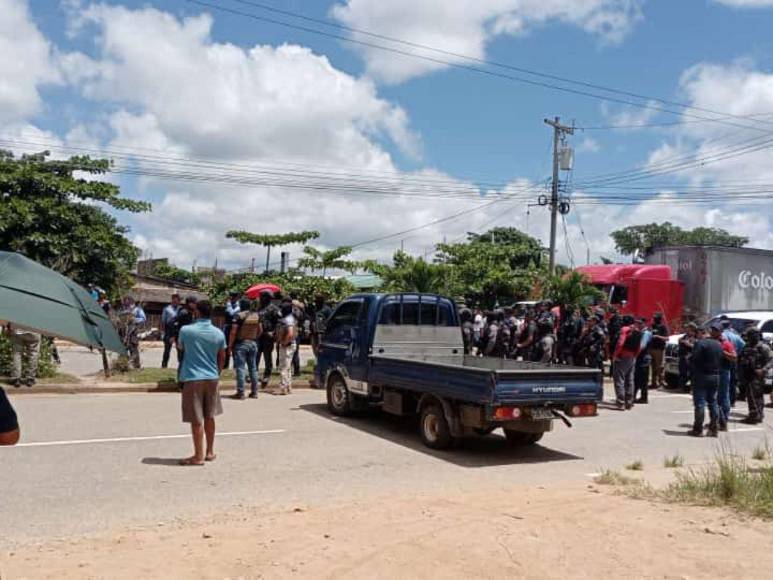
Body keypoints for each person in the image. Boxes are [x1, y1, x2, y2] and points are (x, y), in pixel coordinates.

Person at [177, 300, 226, 466]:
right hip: (212, 378)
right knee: (209, 416)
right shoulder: (218, 333)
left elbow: (181, 348)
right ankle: (209, 451)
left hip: (193, 377)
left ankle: (198, 456)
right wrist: (217, 372)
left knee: (196, 419)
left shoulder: (186, 330)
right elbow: (222, 356)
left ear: (197, 312)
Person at [688, 323, 724, 437]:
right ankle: (714, 428)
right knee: (712, 401)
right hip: (715, 376)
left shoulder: (700, 343)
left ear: (702, 333)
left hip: (702, 376)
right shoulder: (718, 344)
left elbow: (694, 359)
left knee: (700, 402)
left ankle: (698, 429)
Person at [738, 328, 773, 425]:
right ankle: (757, 415)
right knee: (751, 395)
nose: (748, 337)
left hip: (757, 375)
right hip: (747, 374)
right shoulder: (747, 346)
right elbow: (741, 358)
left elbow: (771, 360)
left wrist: (763, 370)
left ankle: (755, 416)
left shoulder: (763, 347)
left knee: (756, 395)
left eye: (750, 335)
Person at [229, 299, 262, 400]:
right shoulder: (256, 315)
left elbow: (233, 332)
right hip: (253, 343)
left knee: (240, 368)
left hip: (241, 344)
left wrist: (230, 345)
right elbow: (260, 330)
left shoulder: (238, 316)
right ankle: (255, 392)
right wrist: (254, 338)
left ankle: (241, 393)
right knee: (253, 368)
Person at [612, 316, 641, 409]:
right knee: (630, 380)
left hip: (622, 356)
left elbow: (620, 343)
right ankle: (629, 402)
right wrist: (635, 356)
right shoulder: (637, 330)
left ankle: (621, 402)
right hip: (632, 357)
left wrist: (615, 355)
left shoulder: (625, 329)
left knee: (619, 379)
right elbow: (639, 346)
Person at [715, 325, 737, 432]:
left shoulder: (726, 343)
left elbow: (733, 357)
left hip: (723, 372)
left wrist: (723, 352)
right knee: (716, 397)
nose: (712, 332)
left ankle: (724, 420)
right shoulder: (712, 342)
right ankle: (717, 420)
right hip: (713, 372)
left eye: (715, 330)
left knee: (724, 396)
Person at [257, 292, 281, 388]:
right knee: (256, 356)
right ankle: (255, 375)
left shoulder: (274, 308)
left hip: (268, 336)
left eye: (263, 297)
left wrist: (274, 332)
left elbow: (279, 322)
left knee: (267, 357)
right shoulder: (260, 307)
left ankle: (267, 376)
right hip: (259, 335)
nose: (261, 299)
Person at [720, 319, 745, 407]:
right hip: (733, 360)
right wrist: (737, 352)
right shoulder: (736, 336)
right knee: (733, 381)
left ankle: (723, 401)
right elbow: (743, 345)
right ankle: (732, 401)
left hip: (723, 360)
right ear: (730, 326)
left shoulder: (721, 335)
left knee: (723, 382)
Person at [172, 296, 198, 377]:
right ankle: (181, 380)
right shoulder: (184, 312)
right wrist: (174, 335)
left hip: (189, 340)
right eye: (194, 303)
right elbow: (173, 322)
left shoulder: (192, 313)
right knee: (183, 360)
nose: (196, 305)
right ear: (190, 303)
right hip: (182, 339)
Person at [275, 301, 297, 395]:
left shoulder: (288, 320)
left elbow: (290, 333)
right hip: (290, 344)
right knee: (288, 367)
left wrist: (284, 342)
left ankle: (283, 388)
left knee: (283, 367)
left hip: (287, 345)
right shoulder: (291, 318)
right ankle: (288, 387)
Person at [118, 296, 146, 369]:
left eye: (127, 301)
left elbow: (143, 319)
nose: (126, 303)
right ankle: (121, 365)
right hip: (123, 331)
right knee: (122, 349)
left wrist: (134, 319)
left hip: (133, 331)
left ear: (131, 301)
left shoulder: (137, 309)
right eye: (125, 301)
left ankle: (136, 366)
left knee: (133, 349)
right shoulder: (122, 309)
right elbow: (118, 318)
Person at [634, 318, 653, 404]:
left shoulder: (645, 333)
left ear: (644, 324)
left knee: (643, 379)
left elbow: (642, 346)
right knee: (637, 378)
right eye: (637, 323)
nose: (637, 325)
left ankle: (643, 398)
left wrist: (634, 355)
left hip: (643, 359)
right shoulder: (640, 333)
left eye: (639, 323)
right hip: (640, 358)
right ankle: (633, 396)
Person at [649, 312, 670, 390]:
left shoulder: (663, 327)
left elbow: (667, 338)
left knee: (659, 367)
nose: (654, 319)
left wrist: (657, 336)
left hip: (659, 349)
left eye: (655, 318)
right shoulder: (652, 326)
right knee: (653, 366)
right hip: (652, 348)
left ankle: (661, 383)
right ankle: (653, 383)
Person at [160, 294, 181, 369]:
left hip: (178, 331)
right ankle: (164, 366)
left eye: (177, 300)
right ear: (172, 300)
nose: (175, 302)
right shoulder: (167, 309)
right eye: (174, 300)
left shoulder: (181, 309)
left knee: (180, 349)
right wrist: (162, 332)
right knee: (167, 349)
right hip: (169, 330)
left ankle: (181, 366)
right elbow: (163, 321)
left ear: (179, 301)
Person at [222, 291, 241, 370]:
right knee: (226, 346)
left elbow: (232, 313)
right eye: (231, 297)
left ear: (237, 297)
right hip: (227, 327)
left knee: (235, 347)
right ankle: (225, 365)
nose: (232, 298)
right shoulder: (227, 305)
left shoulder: (239, 305)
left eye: (234, 297)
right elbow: (230, 314)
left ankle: (235, 365)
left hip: (236, 327)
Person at [678, 323, 697, 392]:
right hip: (683, 357)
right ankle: (681, 387)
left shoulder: (696, 338)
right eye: (686, 328)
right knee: (682, 373)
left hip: (692, 358)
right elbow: (680, 344)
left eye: (689, 328)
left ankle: (692, 388)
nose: (687, 330)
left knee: (692, 374)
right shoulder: (683, 337)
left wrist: (689, 344)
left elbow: (696, 347)